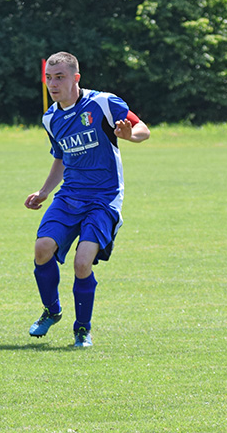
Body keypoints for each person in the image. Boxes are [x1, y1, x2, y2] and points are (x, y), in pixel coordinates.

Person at [25, 51, 150, 347]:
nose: (53, 84)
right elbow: (61, 159)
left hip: (104, 198)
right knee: (42, 249)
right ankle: (51, 311)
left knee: (83, 263)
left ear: (75, 78)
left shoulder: (104, 103)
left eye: (60, 77)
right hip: (69, 196)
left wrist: (129, 135)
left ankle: (82, 328)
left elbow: (143, 131)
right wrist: (44, 192)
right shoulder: (51, 117)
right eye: (49, 78)